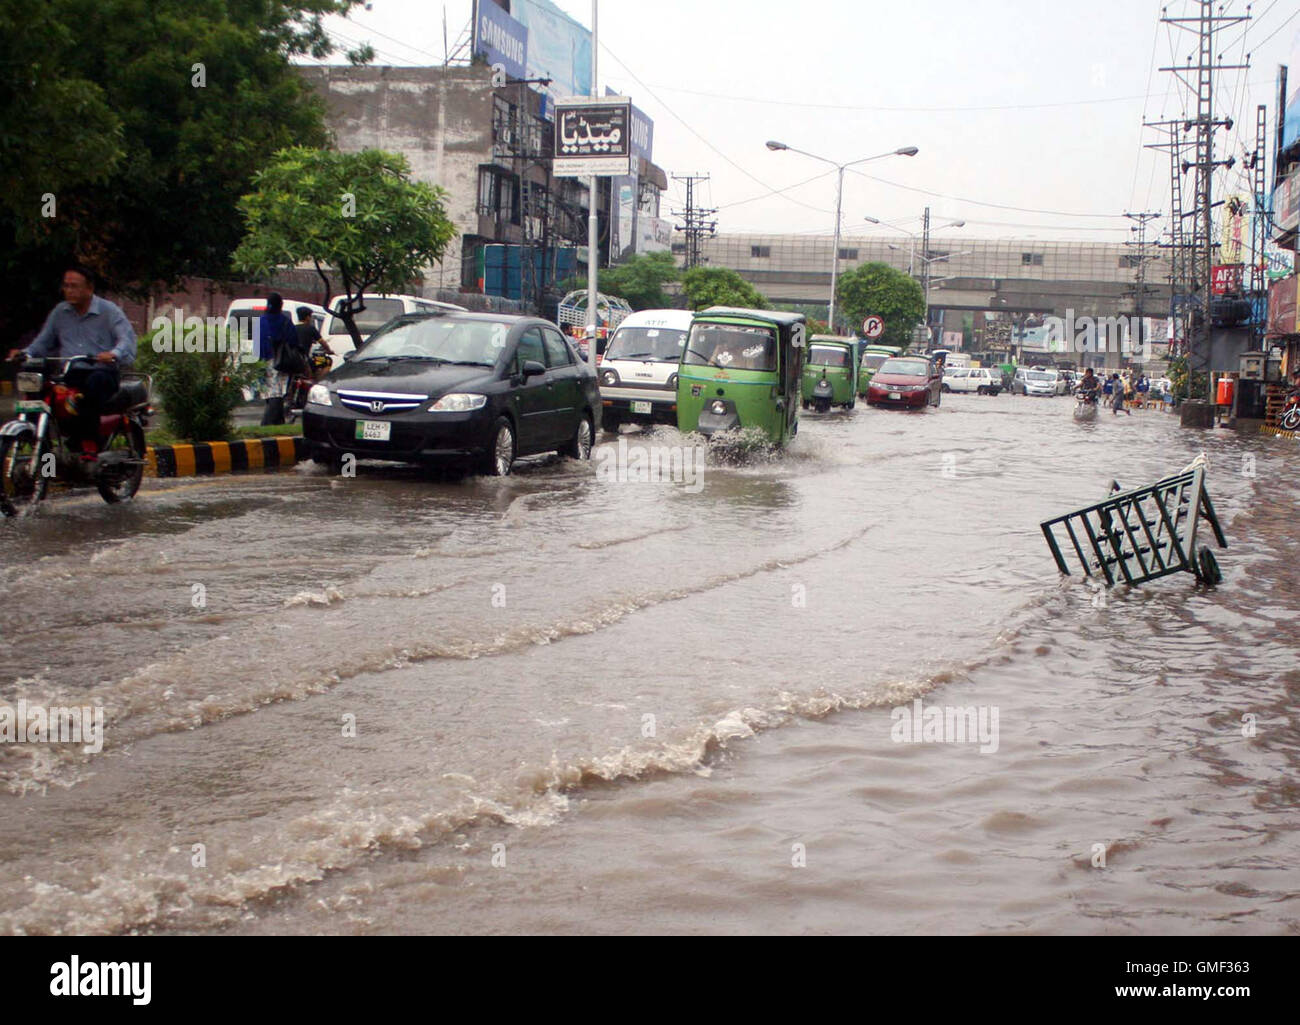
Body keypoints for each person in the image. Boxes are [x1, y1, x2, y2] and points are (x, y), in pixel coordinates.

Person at [6, 264, 136, 458]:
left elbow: (126, 339)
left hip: (102, 372)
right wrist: (25, 353)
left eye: (74, 286)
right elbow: (41, 343)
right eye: (66, 286)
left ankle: (88, 442)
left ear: (89, 288)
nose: (69, 290)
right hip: (70, 374)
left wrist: (114, 353)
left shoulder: (109, 311)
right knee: (43, 393)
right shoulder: (60, 312)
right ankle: (44, 453)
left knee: (90, 388)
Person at [257, 294, 297, 424]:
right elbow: (294, 341)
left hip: (264, 361)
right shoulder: (285, 321)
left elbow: (257, 344)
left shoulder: (261, 321)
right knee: (278, 393)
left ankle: (277, 421)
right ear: (281, 305)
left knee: (270, 392)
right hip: (282, 362)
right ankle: (268, 422)